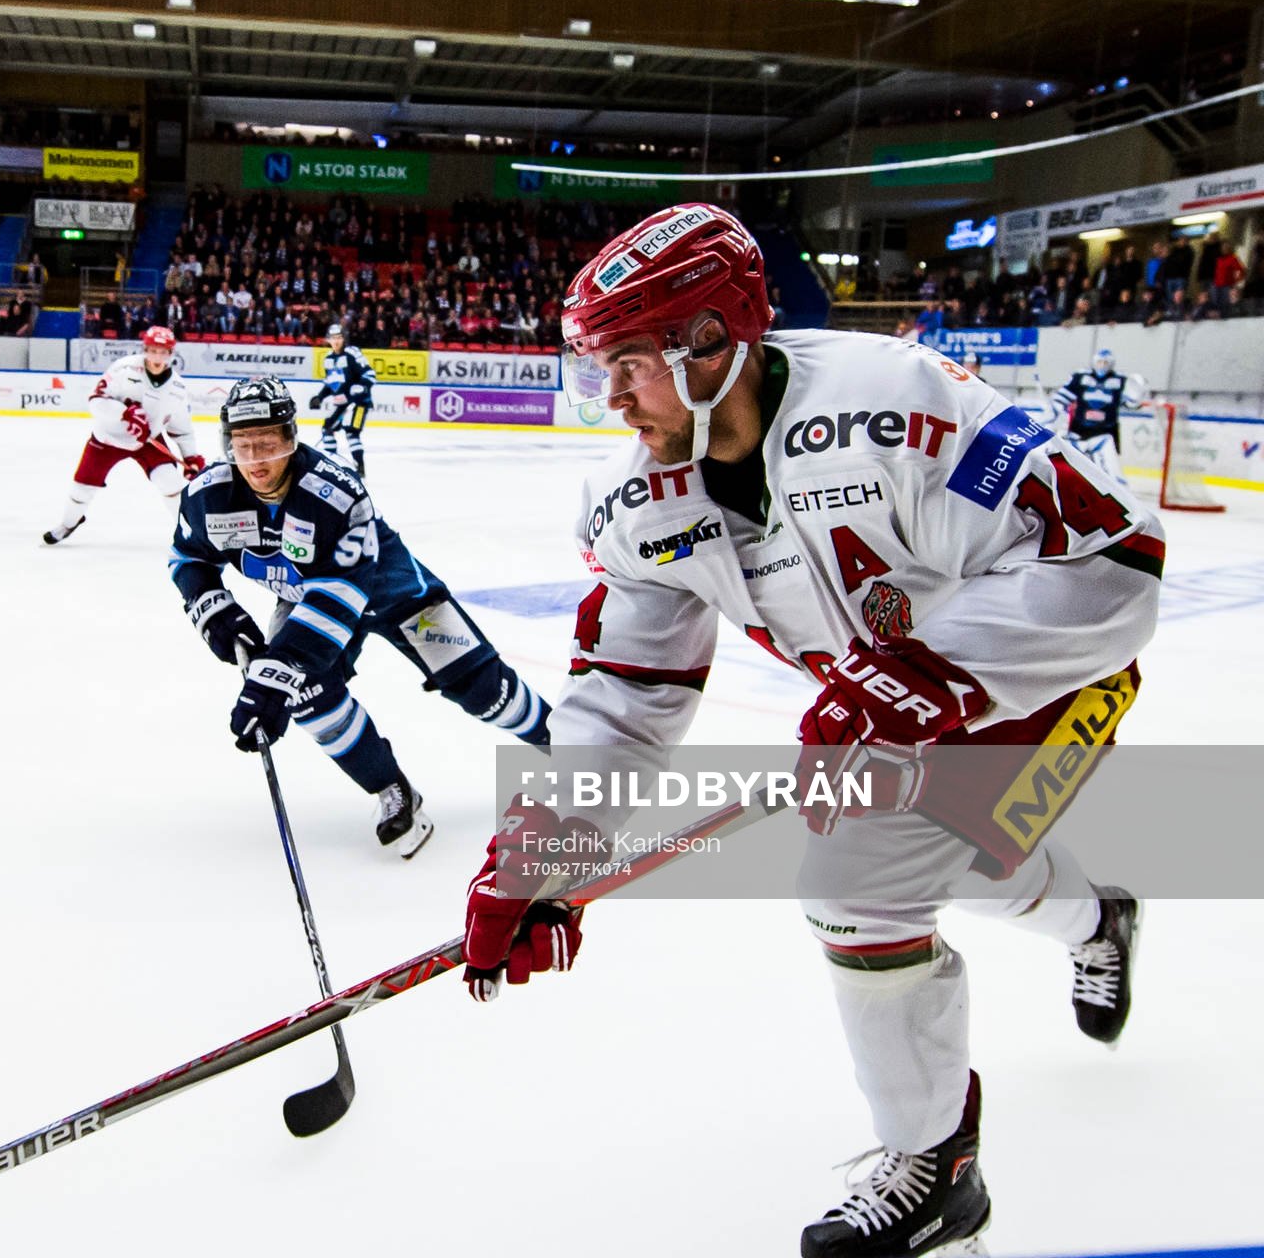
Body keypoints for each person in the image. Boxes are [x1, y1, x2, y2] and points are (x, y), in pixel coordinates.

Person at [457, 204, 1159, 1257]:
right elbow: (626, 691)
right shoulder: (635, 500)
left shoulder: (903, 407)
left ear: (710, 342)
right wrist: (541, 855)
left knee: (863, 873)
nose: (611, 395)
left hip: (1037, 678)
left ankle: (936, 1162)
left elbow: (1112, 563)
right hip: (876, 706)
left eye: (631, 362)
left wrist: (914, 680)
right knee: (956, 858)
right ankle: (1097, 920)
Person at [170, 376, 552, 858]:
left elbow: (340, 595)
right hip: (306, 599)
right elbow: (188, 559)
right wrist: (216, 613)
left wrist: (277, 671)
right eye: (244, 447)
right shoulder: (208, 498)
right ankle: (391, 788)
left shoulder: (335, 493)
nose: (257, 461)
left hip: (396, 597)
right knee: (307, 694)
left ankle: (574, 755)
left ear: (291, 438)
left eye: (268, 444)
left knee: (484, 691)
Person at [42, 326, 204, 545]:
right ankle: (69, 523)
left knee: (171, 483)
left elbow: (181, 429)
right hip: (107, 439)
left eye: (163, 352)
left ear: (171, 354)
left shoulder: (177, 388)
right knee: (81, 488)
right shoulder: (123, 369)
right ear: (145, 349)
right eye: (153, 351)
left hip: (148, 441)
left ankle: (189, 532)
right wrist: (124, 413)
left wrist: (191, 457)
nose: (157, 357)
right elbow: (96, 400)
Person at [1052, 348, 1140, 485]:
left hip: (1105, 434)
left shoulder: (1121, 381)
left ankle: (1116, 491)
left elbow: (1131, 403)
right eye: (1100, 361)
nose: (1102, 365)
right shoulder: (1081, 377)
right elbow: (1060, 399)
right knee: (1074, 470)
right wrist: (1056, 416)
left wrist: (1137, 395)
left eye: (1106, 362)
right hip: (1079, 433)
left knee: (1109, 470)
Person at [310, 324, 377, 475]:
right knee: (327, 428)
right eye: (333, 338)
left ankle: (360, 468)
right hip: (342, 403)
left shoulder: (352, 353)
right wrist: (319, 397)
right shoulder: (328, 358)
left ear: (344, 338)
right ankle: (331, 464)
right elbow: (330, 383)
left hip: (359, 402)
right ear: (328, 340)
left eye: (339, 337)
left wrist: (361, 387)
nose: (336, 341)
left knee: (351, 432)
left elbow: (369, 374)